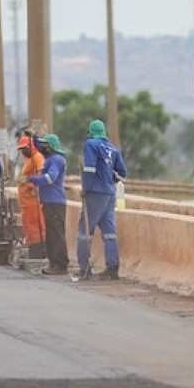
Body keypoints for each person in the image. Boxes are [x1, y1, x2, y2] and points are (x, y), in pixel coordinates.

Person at [74, 120, 128, 281]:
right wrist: (110, 178)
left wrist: (86, 188)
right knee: (109, 233)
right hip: (109, 194)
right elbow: (123, 173)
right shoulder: (113, 148)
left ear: (91, 133)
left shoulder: (90, 144)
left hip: (95, 193)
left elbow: (89, 169)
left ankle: (84, 269)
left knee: (84, 231)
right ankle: (112, 269)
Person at [28, 133, 68, 275]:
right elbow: (38, 146)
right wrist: (34, 137)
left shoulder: (56, 160)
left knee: (56, 234)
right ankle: (54, 263)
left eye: (46, 145)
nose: (43, 147)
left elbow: (50, 178)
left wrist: (33, 179)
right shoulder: (51, 158)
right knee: (51, 234)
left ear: (51, 146)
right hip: (50, 201)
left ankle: (60, 264)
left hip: (55, 201)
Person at [16, 135, 47, 260]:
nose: (23, 151)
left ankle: (37, 253)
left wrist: (29, 184)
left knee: (35, 228)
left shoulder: (37, 158)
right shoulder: (29, 160)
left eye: (25, 148)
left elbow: (40, 176)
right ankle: (33, 250)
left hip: (33, 202)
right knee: (29, 227)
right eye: (21, 149)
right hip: (26, 203)